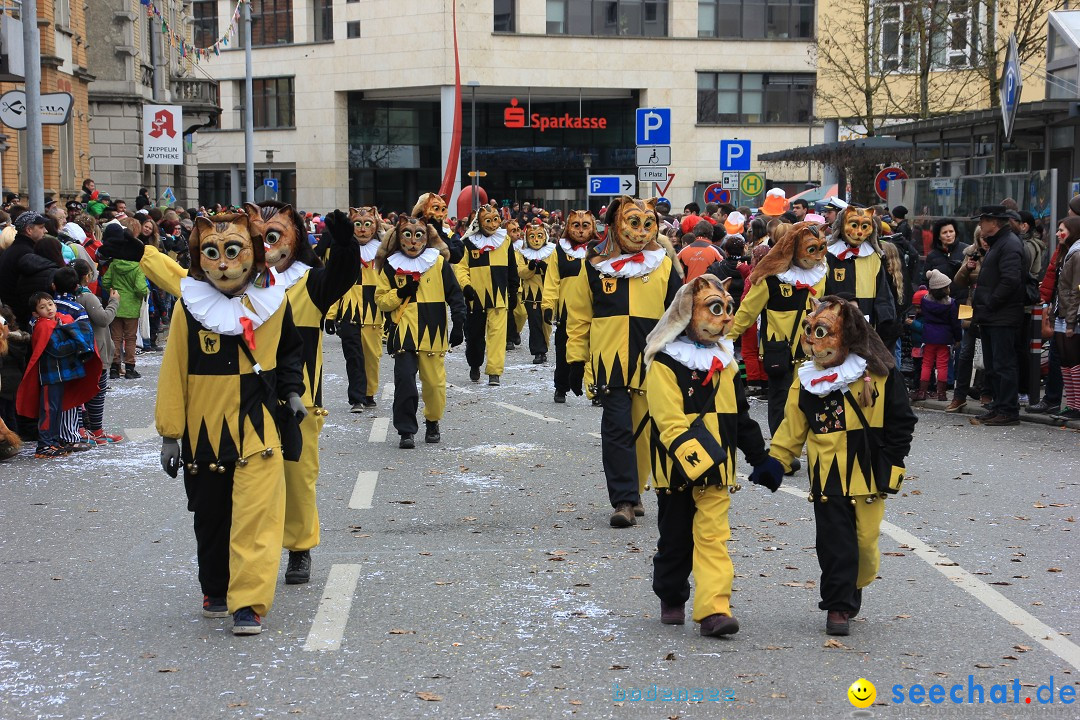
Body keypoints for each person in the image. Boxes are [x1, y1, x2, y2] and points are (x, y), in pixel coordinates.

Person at [157, 212, 306, 636]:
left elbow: (290, 353)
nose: (223, 263)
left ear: (253, 254)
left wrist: (293, 392)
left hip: (257, 422)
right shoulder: (190, 307)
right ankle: (216, 588)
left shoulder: (273, 302)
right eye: (211, 252)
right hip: (204, 426)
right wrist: (170, 434)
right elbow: (174, 369)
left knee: (257, 516)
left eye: (232, 250)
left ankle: (249, 605)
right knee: (211, 514)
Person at [644, 275, 783, 637]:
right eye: (714, 308)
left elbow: (739, 416)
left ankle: (714, 610)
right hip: (676, 471)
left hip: (718, 471)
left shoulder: (726, 364)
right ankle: (671, 595)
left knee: (713, 539)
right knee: (675, 541)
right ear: (688, 312)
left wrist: (760, 458)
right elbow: (669, 421)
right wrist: (696, 461)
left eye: (728, 310)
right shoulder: (664, 362)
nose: (723, 318)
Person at [768, 296, 916, 636]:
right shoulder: (805, 378)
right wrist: (774, 462)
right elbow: (793, 425)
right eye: (809, 332)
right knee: (835, 543)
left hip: (869, 474)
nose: (813, 341)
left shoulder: (880, 372)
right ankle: (837, 604)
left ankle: (854, 586)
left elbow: (901, 421)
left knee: (864, 543)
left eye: (823, 332)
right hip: (828, 475)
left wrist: (893, 463)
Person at [565, 196, 680, 528]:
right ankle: (624, 500)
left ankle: (636, 489)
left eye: (648, 224)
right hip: (609, 361)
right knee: (616, 428)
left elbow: (677, 316)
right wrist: (575, 358)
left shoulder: (664, 265)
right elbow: (579, 316)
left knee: (643, 431)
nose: (641, 232)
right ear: (616, 224)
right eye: (633, 223)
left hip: (650, 361)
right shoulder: (593, 266)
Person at [727, 222, 828, 439]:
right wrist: (724, 340)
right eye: (812, 250)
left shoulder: (821, 276)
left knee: (810, 401)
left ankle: (807, 445)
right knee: (781, 403)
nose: (818, 257)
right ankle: (782, 452)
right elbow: (747, 312)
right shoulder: (770, 279)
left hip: (812, 352)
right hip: (780, 351)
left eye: (822, 248)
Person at [375, 216, 465, 448]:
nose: (413, 241)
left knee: (434, 385)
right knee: (405, 381)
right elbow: (381, 301)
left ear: (427, 237)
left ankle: (432, 421)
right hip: (404, 333)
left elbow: (455, 295)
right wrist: (401, 293)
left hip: (433, 331)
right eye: (408, 234)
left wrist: (458, 323)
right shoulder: (391, 265)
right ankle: (406, 430)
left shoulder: (438, 263)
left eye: (419, 235)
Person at [16, 292, 102, 458]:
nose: (48, 309)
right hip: (50, 376)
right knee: (49, 409)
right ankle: (45, 444)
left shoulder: (59, 321)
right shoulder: (43, 327)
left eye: (50, 304)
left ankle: (54, 441)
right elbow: (57, 349)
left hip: (60, 375)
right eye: (42, 307)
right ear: (35, 313)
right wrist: (77, 340)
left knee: (56, 410)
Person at [969, 205, 1025, 426]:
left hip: (1002, 314)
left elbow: (1011, 279)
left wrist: (991, 303)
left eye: (983, 220)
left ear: (994, 222)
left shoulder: (1009, 244)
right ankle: (999, 406)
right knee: (993, 365)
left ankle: (1008, 410)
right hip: (993, 314)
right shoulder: (999, 243)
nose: (980, 224)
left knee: (1003, 364)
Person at [325, 207, 385, 412]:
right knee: (354, 356)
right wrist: (331, 314)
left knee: (372, 357)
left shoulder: (383, 252)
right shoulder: (343, 250)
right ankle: (357, 398)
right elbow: (334, 282)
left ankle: (369, 393)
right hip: (348, 313)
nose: (362, 229)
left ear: (375, 226)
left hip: (374, 312)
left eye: (367, 224)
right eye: (357, 224)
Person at [456, 205, 518, 386]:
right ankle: (474, 364)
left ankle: (494, 372)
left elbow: (512, 268)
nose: (492, 225)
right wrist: (465, 286)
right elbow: (460, 267)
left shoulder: (505, 241)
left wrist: (513, 291)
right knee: (474, 336)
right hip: (475, 298)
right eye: (488, 221)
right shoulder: (468, 242)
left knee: (497, 336)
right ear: (479, 222)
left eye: (495, 220)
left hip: (499, 296)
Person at [543, 210, 597, 403]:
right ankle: (561, 386)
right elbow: (552, 280)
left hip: (595, 307)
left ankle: (594, 389)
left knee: (595, 349)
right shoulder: (560, 250)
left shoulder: (601, 249)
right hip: (568, 309)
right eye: (576, 225)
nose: (581, 231)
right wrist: (548, 305)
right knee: (564, 349)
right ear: (568, 226)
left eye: (585, 226)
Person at [73, 259, 123, 444]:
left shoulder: (70, 295)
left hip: (80, 350)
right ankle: (96, 430)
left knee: (80, 392)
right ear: (87, 276)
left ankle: (81, 429)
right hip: (95, 349)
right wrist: (114, 302)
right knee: (96, 391)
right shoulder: (87, 297)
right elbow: (103, 319)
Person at [99, 223, 147, 380]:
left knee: (116, 337)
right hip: (132, 307)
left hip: (115, 304)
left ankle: (114, 367)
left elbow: (105, 281)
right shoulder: (137, 267)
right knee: (130, 338)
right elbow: (141, 288)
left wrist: (113, 291)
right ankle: (130, 367)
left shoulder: (113, 264)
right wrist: (143, 294)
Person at [1048, 217, 1080, 421]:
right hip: (1063, 313)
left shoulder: (1077, 254)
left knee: (1074, 360)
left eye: (1062, 230)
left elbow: (1077, 290)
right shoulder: (1067, 252)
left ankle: (1077, 405)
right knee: (1065, 361)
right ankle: (1071, 404)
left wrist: (1071, 321)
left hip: (1072, 315)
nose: (1058, 234)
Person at [913, 269, 961, 401]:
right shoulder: (951, 304)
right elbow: (955, 323)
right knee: (942, 365)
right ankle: (941, 394)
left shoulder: (925, 301)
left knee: (926, 364)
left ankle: (922, 392)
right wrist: (958, 338)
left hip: (928, 336)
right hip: (945, 338)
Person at [515, 221, 555, 364]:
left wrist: (546, 268)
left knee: (546, 324)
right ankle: (539, 351)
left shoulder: (552, 252)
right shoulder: (523, 254)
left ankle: (545, 346)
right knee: (534, 323)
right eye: (532, 237)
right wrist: (530, 268)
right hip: (531, 295)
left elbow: (556, 272)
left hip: (548, 294)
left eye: (539, 236)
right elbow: (521, 272)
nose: (536, 240)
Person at [0, 212, 49, 325]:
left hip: (12, 312)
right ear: (29, 230)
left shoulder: (13, 250)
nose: (45, 231)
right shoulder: (26, 254)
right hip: (21, 316)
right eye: (41, 227)